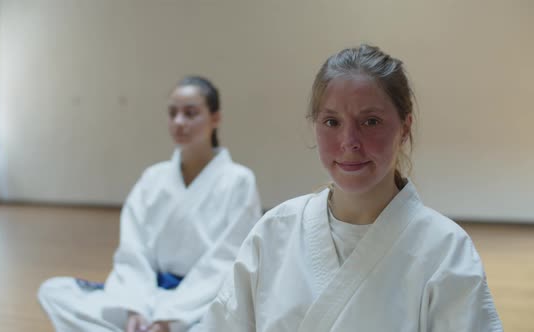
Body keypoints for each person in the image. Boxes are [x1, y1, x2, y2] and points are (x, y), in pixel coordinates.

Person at [195, 45, 502, 331]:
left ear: (404, 128)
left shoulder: (445, 249)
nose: (349, 142)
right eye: (331, 122)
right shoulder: (275, 231)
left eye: (370, 121)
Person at [38, 76, 262, 332]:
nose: (179, 122)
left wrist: (169, 318)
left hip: (201, 302)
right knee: (55, 291)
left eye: (190, 113)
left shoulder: (239, 181)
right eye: (172, 113)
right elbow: (133, 250)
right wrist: (136, 308)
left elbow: (225, 260)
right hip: (149, 296)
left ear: (215, 118)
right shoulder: (153, 178)